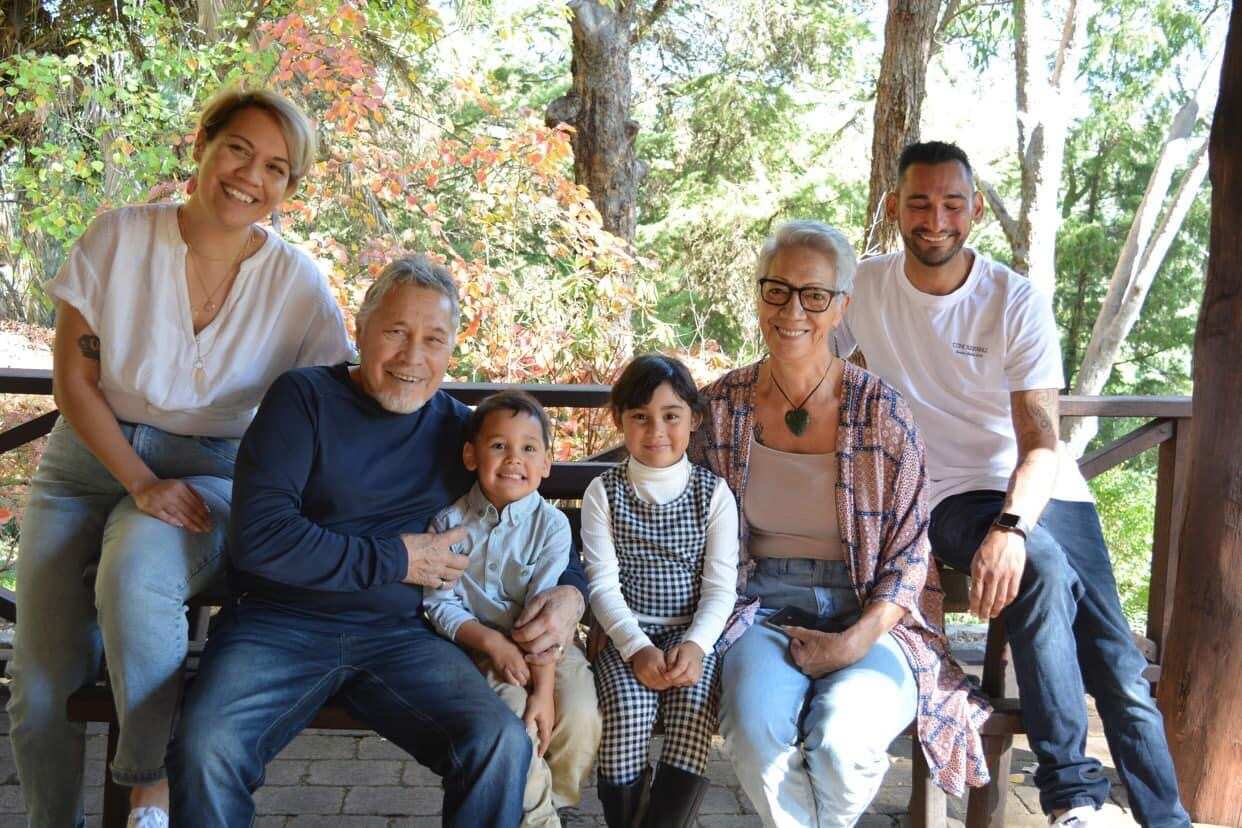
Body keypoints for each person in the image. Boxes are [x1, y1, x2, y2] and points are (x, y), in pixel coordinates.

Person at [6, 86, 354, 828]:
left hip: (214, 467)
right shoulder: (119, 237)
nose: (250, 177)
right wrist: (138, 479)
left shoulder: (297, 284)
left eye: (277, 169)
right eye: (238, 149)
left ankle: (147, 782)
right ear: (202, 144)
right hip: (84, 465)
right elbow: (75, 379)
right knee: (38, 695)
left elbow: (339, 400)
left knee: (139, 555)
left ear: (289, 189)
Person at [831, 140, 1189, 827]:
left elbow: (1040, 442)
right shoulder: (865, 286)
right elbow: (809, 355)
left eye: (952, 203)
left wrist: (1011, 528)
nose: (936, 219)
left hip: (1039, 485)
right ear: (894, 208)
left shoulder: (1012, 299)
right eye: (920, 203)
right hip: (946, 492)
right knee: (1042, 568)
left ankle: (1165, 818)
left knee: (1116, 661)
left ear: (977, 213)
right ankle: (1074, 800)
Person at [166, 255, 589, 827]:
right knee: (204, 748)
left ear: (449, 350)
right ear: (360, 329)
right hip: (280, 626)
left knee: (498, 743)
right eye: (395, 332)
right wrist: (398, 559)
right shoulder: (303, 400)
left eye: (433, 339)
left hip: (401, 636)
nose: (413, 357)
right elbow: (261, 539)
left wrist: (571, 593)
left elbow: (527, 515)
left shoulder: (458, 430)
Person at [689, 220, 990, 827]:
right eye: (777, 290)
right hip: (758, 608)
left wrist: (857, 639)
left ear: (840, 307)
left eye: (814, 295)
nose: (793, 309)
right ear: (758, 297)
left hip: (868, 613)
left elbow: (911, 555)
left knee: (843, 742)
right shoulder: (720, 407)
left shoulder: (882, 412)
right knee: (755, 730)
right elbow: (681, 511)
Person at [423, 390, 602, 827]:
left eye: (528, 448)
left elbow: (543, 609)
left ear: (545, 464)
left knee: (580, 715)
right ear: (471, 455)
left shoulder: (553, 525)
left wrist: (543, 689)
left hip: (551, 650)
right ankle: (539, 819)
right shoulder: (448, 524)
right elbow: (438, 603)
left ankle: (553, 805)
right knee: (515, 726)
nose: (513, 459)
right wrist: (491, 643)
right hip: (483, 651)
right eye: (498, 445)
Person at [580, 354, 740, 828]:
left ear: (693, 419)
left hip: (693, 637)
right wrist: (636, 649)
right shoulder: (603, 493)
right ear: (620, 422)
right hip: (626, 637)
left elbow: (720, 587)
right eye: (640, 418)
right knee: (628, 713)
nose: (657, 431)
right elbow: (603, 585)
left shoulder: (712, 494)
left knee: (692, 713)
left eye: (671, 416)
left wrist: (695, 645)